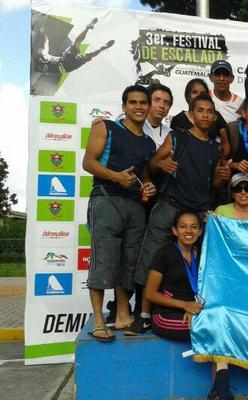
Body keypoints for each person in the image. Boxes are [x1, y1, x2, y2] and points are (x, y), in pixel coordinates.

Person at [126, 93, 231, 336]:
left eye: (210, 111)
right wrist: (161, 165)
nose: (205, 115)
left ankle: (194, 307)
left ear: (214, 116)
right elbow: (151, 164)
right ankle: (142, 315)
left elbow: (213, 185)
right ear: (191, 114)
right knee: (151, 257)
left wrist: (221, 177)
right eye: (200, 110)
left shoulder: (216, 148)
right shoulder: (177, 137)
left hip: (198, 210)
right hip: (170, 205)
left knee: (202, 262)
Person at [82, 85, 157, 341]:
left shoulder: (149, 143)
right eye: (133, 102)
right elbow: (88, 162)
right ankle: (99, 320)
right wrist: (116, 177)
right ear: (124, 106)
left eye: (143, 102)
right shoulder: (105, 127)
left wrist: (148, 186)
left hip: (135, 206)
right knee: (104, 260)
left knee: (129, 263)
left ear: (148, 107)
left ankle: (123, 314)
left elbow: (143, 178)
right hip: (106, 199)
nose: (138, 107)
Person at [145, 210, 233, 400]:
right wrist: (185, 305)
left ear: (200, 231)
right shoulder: (164, 254)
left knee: (220, 329)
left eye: (194, 226)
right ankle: (221, 393)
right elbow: (150, 294)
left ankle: (219, 393)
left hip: (194, 310)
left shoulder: (202, 253)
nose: (189, 231)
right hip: (166, 314)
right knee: (217, 332)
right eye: (183, 226)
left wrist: (198, 310)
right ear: (175, 231)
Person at [170, 78, 230, 158]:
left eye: (202, 93)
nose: (199, 95)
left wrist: (220, 161)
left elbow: (225, 143)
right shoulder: (178, 119)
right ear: (187, 96)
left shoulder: (215, 115)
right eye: (194, 92)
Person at [35, 18, 114, 74]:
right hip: (63, 62)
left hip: (70, 67)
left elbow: (46, 43)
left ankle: (101, 48)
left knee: (88, 56)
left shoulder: (47, 62)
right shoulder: (46, 56)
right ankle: (87, 28)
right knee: (77, 43)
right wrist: (44, 32)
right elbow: (47, 41)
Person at [145, 83, 173, 149]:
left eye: (166, 102)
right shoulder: (135, 126)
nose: (161, 106)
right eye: (156, 100)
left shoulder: (170, 134)